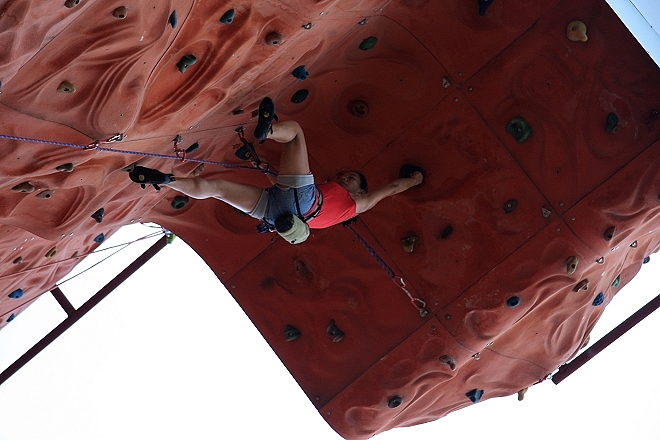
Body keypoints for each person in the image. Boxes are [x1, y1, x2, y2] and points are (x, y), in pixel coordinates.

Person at [129, 98, 423, 243]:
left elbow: (392, 188)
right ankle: (166, 180)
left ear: (360, 191)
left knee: (295, 132)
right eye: (346, 175)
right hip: (278, 214)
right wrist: (265, 167)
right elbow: (287, 189)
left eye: (353, 179)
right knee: (215, 188)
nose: (345, 177)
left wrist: (414, 179)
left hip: (300, 202)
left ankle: (268, 130)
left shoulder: (358, 204)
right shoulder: (333, 211)